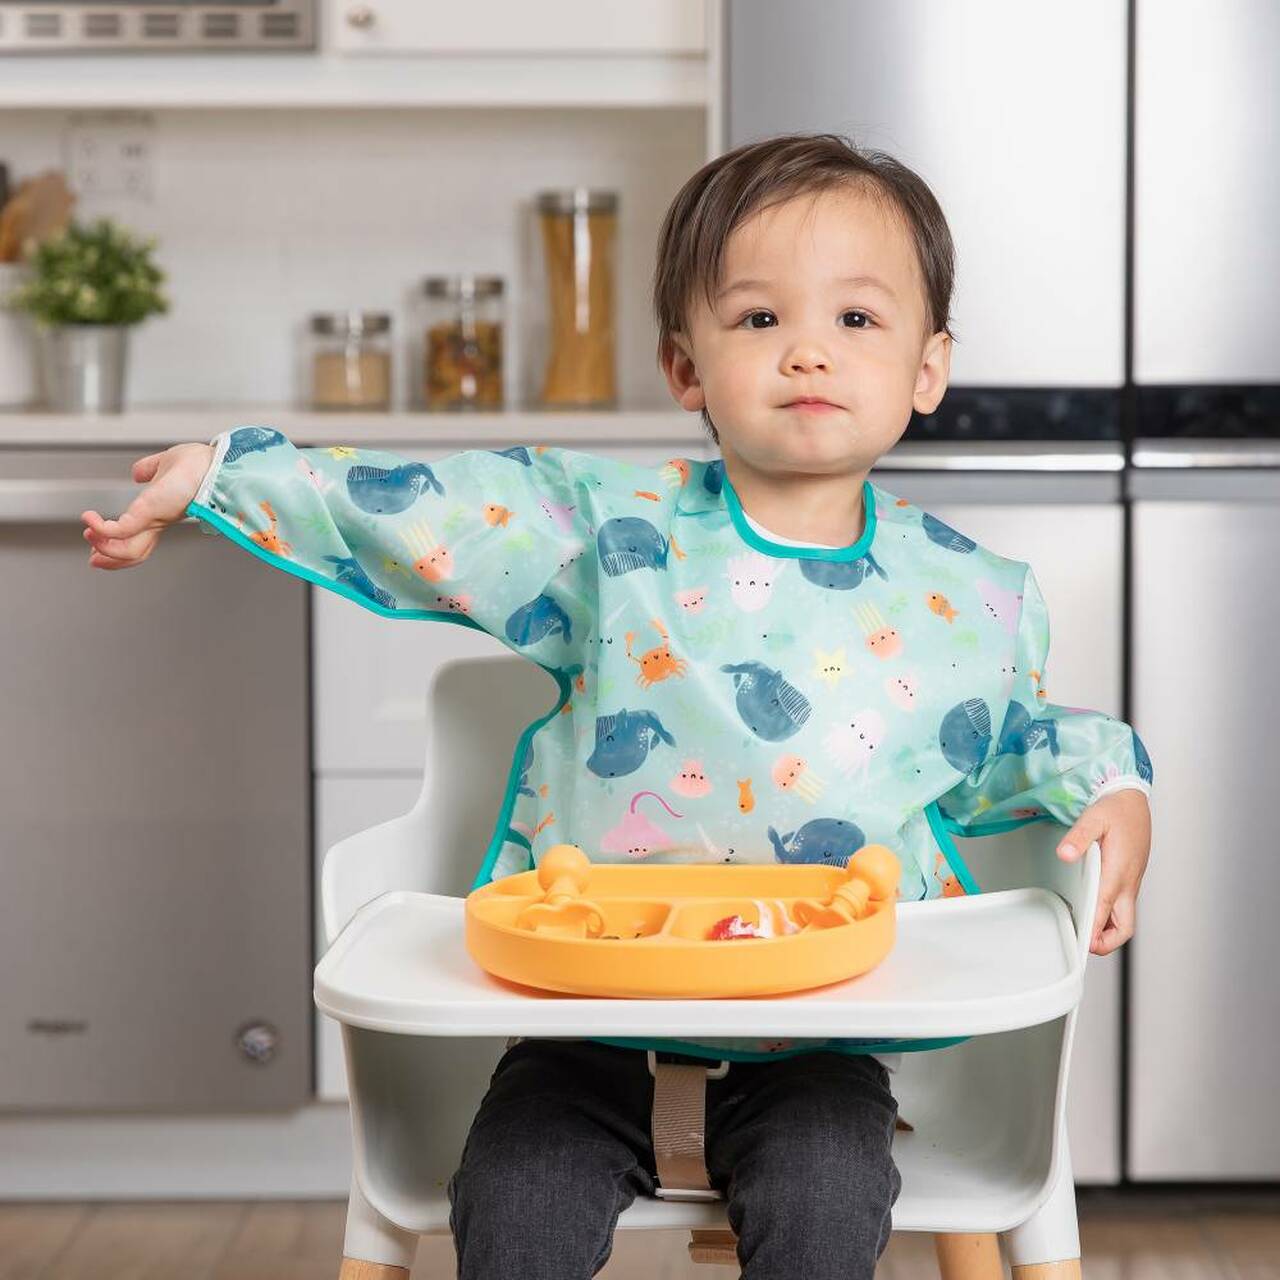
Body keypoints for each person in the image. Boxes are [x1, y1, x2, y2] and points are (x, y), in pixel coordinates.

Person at [80, 132, 1153, 1279]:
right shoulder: (603, 532)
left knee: (826, 1200)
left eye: (854, 318)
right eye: (758, 318)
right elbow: (424, 505)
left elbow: (1012, 745)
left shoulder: (969, 597)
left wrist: (1116, 784)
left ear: (926, 367)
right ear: (684, 366)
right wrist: (226, 475)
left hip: (821, 1030)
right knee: (512, 1205)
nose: (806, 350)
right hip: (582, 1022)